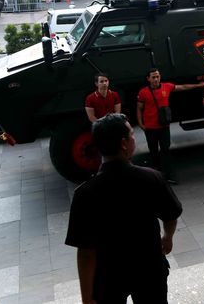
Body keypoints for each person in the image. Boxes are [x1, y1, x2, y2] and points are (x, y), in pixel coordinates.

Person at [65, 113, 182, 303]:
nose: (134, 137)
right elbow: (170, 216)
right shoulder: (151, 178)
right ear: (124, 143)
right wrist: (167, 238)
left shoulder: (84, 194)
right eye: (131, 134)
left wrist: (87, 297)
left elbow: (86, 252)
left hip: (108, 277)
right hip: (148, 269)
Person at [137, 68, 204, 184]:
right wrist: (140, 124)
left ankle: (169, 175)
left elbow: (182, 87)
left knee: (166, 151)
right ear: (148, 79)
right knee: (153, 153)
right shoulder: (143, 92)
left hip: (164, 127)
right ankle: (156, 177)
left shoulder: (167, 86)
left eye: (157, 76)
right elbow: (139, 108)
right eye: (153, 77)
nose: (156, 79)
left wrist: (198, 85)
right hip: (150, 128)